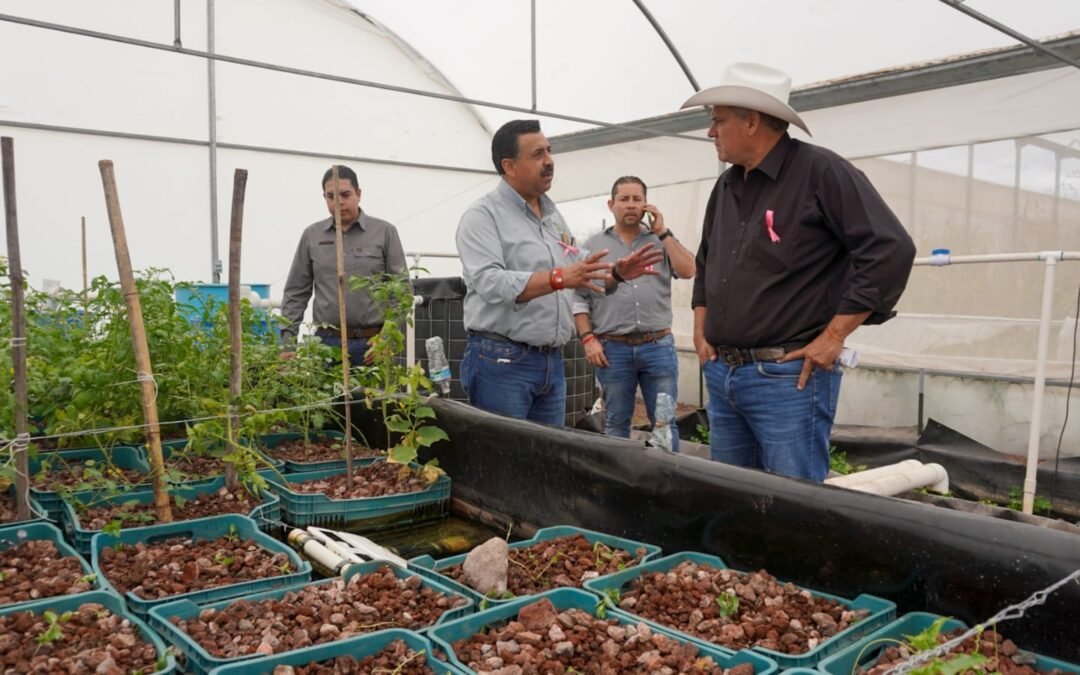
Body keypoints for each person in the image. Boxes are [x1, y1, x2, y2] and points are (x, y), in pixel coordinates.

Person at [685, 62, 916, 481]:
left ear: (752, 122)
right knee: (730, 496)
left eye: (718, 120)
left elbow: (890, 250)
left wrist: (834, 337)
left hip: (787, 378)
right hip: (723, 373)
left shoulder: (821, 172)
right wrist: (701, 330)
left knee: (794, 502)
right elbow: (706, 262)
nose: (710, 132)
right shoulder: (727, 186)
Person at [456, 120, 664, 426]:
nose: (549, 161)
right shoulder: (482, 216)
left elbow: (578, 268)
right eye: (537, 154)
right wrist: (557, 278)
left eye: (549, 151)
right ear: (509, 166)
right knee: (505, 452)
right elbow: (490, 282)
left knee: (548, 452)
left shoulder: (553, 217)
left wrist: (616, 274)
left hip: (551, 361)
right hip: (501, 360)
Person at [573, 176, 696, 450]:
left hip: (658, 347)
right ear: (611, 204)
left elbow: (689, 270)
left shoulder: (661, 241)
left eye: (637, 199)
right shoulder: (592, 246)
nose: (631, 205)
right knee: (616, 421)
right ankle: (618, 476)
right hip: (612, 350)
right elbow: (579, 297)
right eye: (624, 199)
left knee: (664, 424)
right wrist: (588, 338)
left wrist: (663, 232)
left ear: (646, 204)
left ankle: (666, 474)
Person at [280, 165, 407, 365]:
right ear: (324, 197)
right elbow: (296, 292)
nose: (338, 202)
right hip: (326, 345)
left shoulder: (384, 232)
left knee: (374, 387)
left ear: (359, 194)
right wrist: (288, 343)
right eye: (331, 196)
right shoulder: (312, 236)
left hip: (372, 344)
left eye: (345, 195)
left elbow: (401, 291)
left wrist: (386, 338)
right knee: (325, 387)